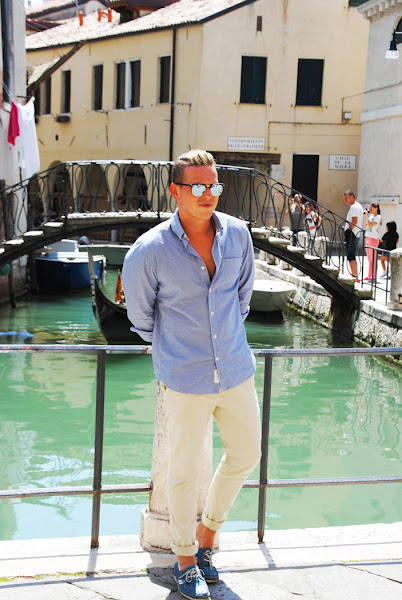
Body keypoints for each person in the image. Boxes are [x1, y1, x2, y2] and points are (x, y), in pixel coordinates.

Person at [122, 149, 261, 600]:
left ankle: (206, 537)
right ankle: (184, 560)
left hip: (235, 368)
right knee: (182, 471)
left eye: (213, 185)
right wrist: (176, 349)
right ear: (175, 191)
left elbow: (242, 297)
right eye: (197, 186)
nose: (207, 194)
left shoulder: (238, 235)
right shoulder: (150, 250)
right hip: (184, 375)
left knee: (247, 453)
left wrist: (223, 339)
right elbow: (140, 317)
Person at [343, 190, 364, 281]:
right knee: (351, 255)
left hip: (352, 235)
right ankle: (355, 275)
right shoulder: (357, 206)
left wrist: (348, 231)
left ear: (352, 197)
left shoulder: (355, 207)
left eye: (346, 198)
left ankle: (355, 276)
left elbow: (354, 221)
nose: (345, 200)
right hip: (354, 234)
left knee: (351, 255)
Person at [363, 203, 381, 281]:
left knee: (373, 259)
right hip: (368, 237)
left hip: (373, 239)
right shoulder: (371, 216)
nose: (370, 210)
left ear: (376, 208)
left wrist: (367, 217)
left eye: (371, 209)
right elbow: (365, 225)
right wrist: (365, 218)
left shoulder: (378, 217)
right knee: (369, 259)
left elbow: (370, 225)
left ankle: (374, 276)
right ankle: (369, 275)